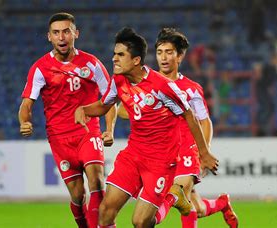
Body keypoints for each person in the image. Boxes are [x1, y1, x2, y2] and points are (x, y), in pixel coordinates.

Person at [74, 27, 219, 228]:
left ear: (136, 60)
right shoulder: (118, 80)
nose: (114, 59)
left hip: (160, 161)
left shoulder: (162, 86)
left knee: (141, 222)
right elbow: (104, 105)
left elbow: (190, 116)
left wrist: (204, 153)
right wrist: (84, 109)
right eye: (114, 54)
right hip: (133, 155)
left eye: (120, 55)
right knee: (106, 211)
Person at [18, 12, 116, 228]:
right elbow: (26, 104)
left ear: (75, 34)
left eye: (66, 32)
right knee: (78, 195)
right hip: (59, 139)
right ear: (49, 37)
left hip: (88, 132)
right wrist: (25, 121)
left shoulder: (92, 64)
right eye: (56, 33)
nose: (61, 37)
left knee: (97, 181)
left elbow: (110, 100)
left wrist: (109, 129)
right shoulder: (40, 68)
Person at [147, 28, 238, 228]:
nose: (163, 57)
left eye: (169, 52)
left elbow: (205, 122)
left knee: (176, 194)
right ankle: (222, 203)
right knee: (195, 207)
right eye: (160, 52)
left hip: (187, 149)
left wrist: (203, 152)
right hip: (162, 152)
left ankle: (148, 222)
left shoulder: (191, 88)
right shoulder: (147, 85)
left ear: (180, 56)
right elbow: (126, 110)